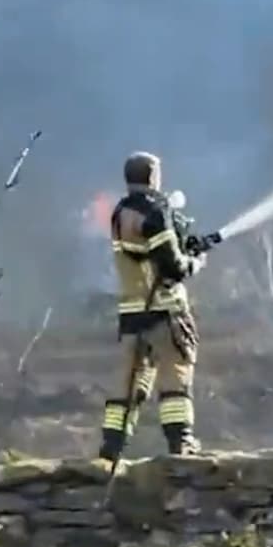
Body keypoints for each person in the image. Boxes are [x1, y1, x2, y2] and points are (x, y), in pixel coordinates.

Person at [100, 151, 206, 466]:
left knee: (130, 381)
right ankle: (181, 443)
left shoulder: (120, 214)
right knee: (176, 374)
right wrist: (196, 261)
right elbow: (173, 267)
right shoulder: (155, 213)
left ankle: (111, 449)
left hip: (132, 314)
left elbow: (143, 255)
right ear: (153, 177)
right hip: (165, 310)